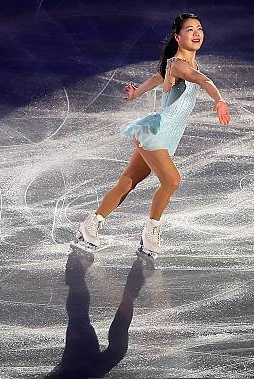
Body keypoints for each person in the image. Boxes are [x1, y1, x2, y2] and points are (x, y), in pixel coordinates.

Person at [71, 12, 231, 259]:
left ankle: (91, 224)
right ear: (178, 37)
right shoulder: (180, 64)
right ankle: (151, 232)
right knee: (172, 180)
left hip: (164, 136)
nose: (197, 33)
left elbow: (159, 76)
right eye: (189, 30)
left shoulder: (178, 64)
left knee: (128, 182)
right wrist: (219, 100)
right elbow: (203, 80)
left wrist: (138, 92)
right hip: (155, 133)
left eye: (199, 28)